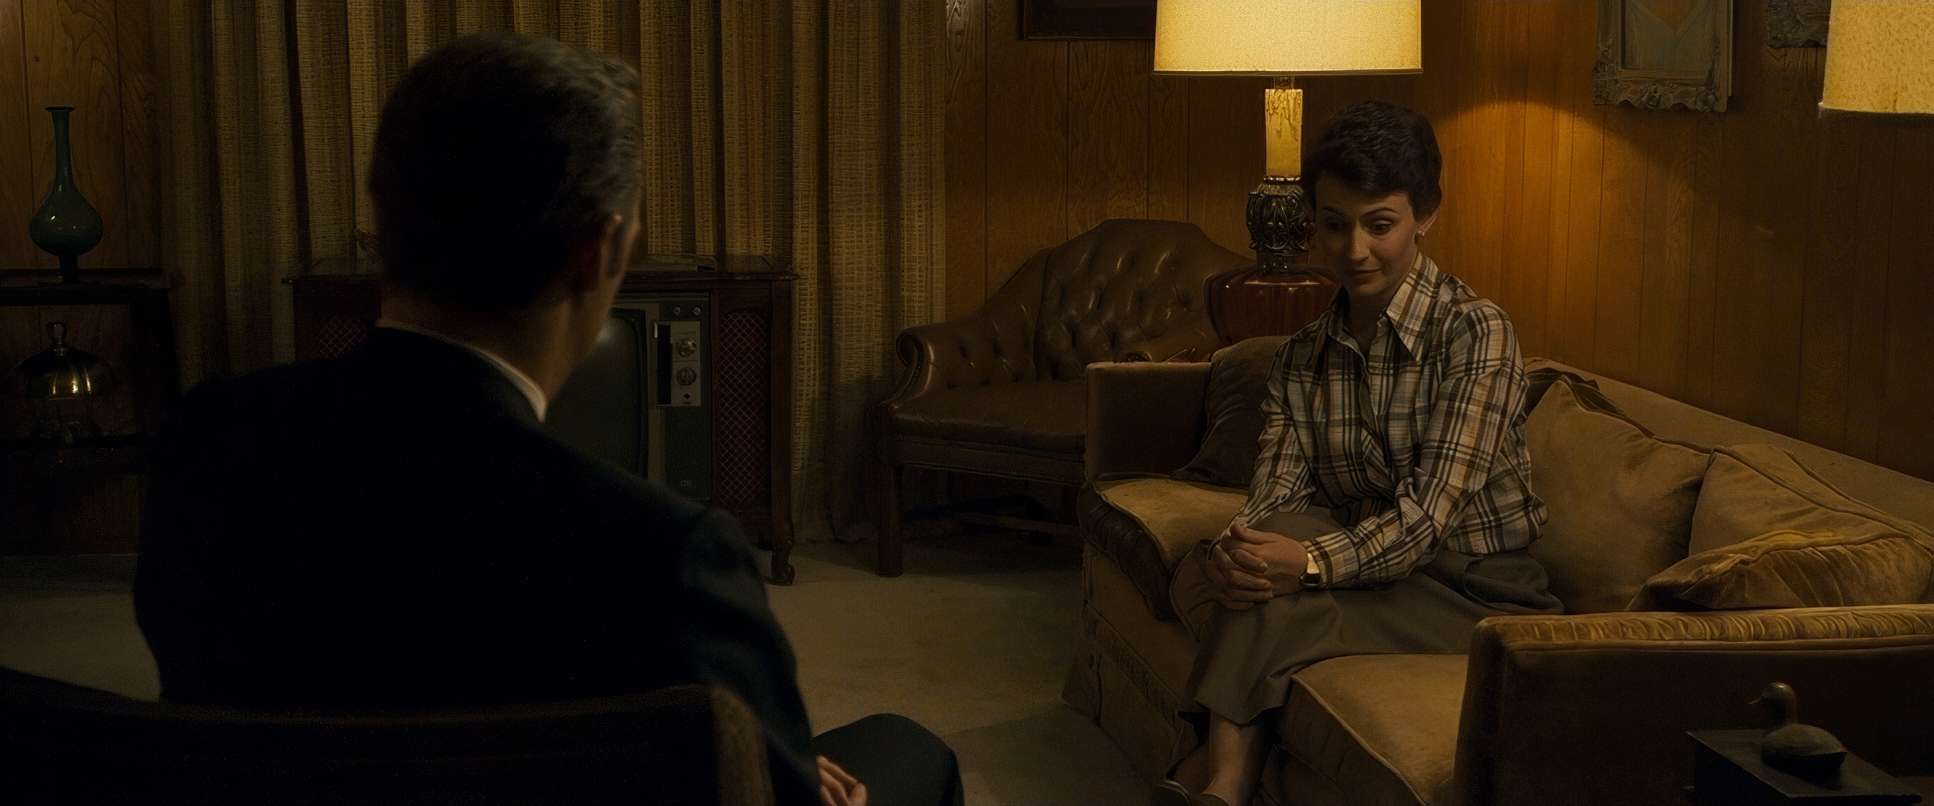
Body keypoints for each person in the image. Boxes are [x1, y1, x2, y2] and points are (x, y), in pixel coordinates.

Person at [133, 33, 960, 806]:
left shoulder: (206, 440)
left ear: (383, 222)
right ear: (600, 252)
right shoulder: (670, 557)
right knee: (909, 749)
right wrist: (784, 769)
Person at [1154, 101, 1562, 806]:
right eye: (1335, 223)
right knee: (1253, 575)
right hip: (1372, 570)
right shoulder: (1303, 354)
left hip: (1475, 589)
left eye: (1380, 225)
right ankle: (1221, 787)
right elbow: (1275, 493)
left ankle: (1211, 779)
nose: (1354, 250)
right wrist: (1242, 550)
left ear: (1425, 216)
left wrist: (1309, 563)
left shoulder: (1476, 334)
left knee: (1272, 601)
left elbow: (1427, 519)